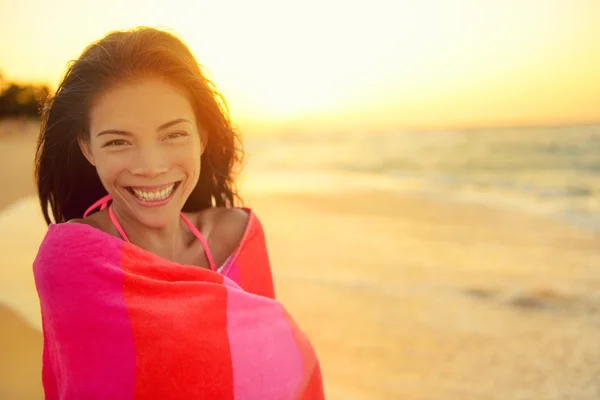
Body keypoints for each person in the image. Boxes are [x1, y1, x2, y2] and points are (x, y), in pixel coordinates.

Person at [32, 26, 324, 399]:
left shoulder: (239, 238)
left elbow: (267, 366)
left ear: (202, 135)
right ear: (88, 149)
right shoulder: (71, 262)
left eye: (173, 135)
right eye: (118, 141)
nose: (151, 166)